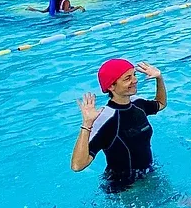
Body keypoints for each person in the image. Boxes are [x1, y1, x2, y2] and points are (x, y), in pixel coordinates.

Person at [71, 59, 166, 190]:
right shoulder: (105, 119)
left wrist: (159, 78)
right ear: (111, 86)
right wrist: (87, 124)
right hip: (124, 189)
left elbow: (160, 104)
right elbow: (77, 165)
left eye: (134, 75)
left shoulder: (138, 104)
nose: (135, 80)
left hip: (149, 175)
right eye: (128, 78)